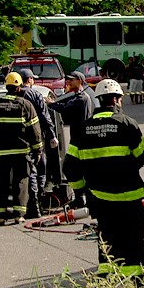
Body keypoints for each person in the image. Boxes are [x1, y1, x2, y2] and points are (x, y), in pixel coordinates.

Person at [63, 78, 144, 278]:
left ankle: (107, 278)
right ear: (117, 99)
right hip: (129, 197)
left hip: (99, 197)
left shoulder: (83, 129)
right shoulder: (128, 124)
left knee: (107, 236)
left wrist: (81, 190)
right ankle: (135, 277)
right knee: (133, 237)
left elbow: (70, 166)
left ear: (99, 100)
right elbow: (141, 156)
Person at [0, 72, 43, 225]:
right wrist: (38, 150)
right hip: (20, 151)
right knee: (21, 180)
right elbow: (35, 131)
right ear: (18, 88)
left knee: (0, 182)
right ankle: (19, 214)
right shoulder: (25, 105)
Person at [47, 71, 94, 208]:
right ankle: (81, 197)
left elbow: (65, 108)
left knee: (70, 168)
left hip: (81, 141)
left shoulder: (82, 98)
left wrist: (51, 103)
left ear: (80, 81)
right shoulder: (77, 97)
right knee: (76, 169)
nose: (69, 82)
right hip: (77, 140)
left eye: (72, 80)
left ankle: (82, 196)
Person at [19, 68, 59, 219]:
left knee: (24, 173)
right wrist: (52, 135)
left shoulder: (12, 95)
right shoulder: (34, 94)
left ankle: (26, 204)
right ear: (29, 80)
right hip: (36, 138)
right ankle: (37, 203)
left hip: (18, 141)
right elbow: (45, 117)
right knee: (40, 168)